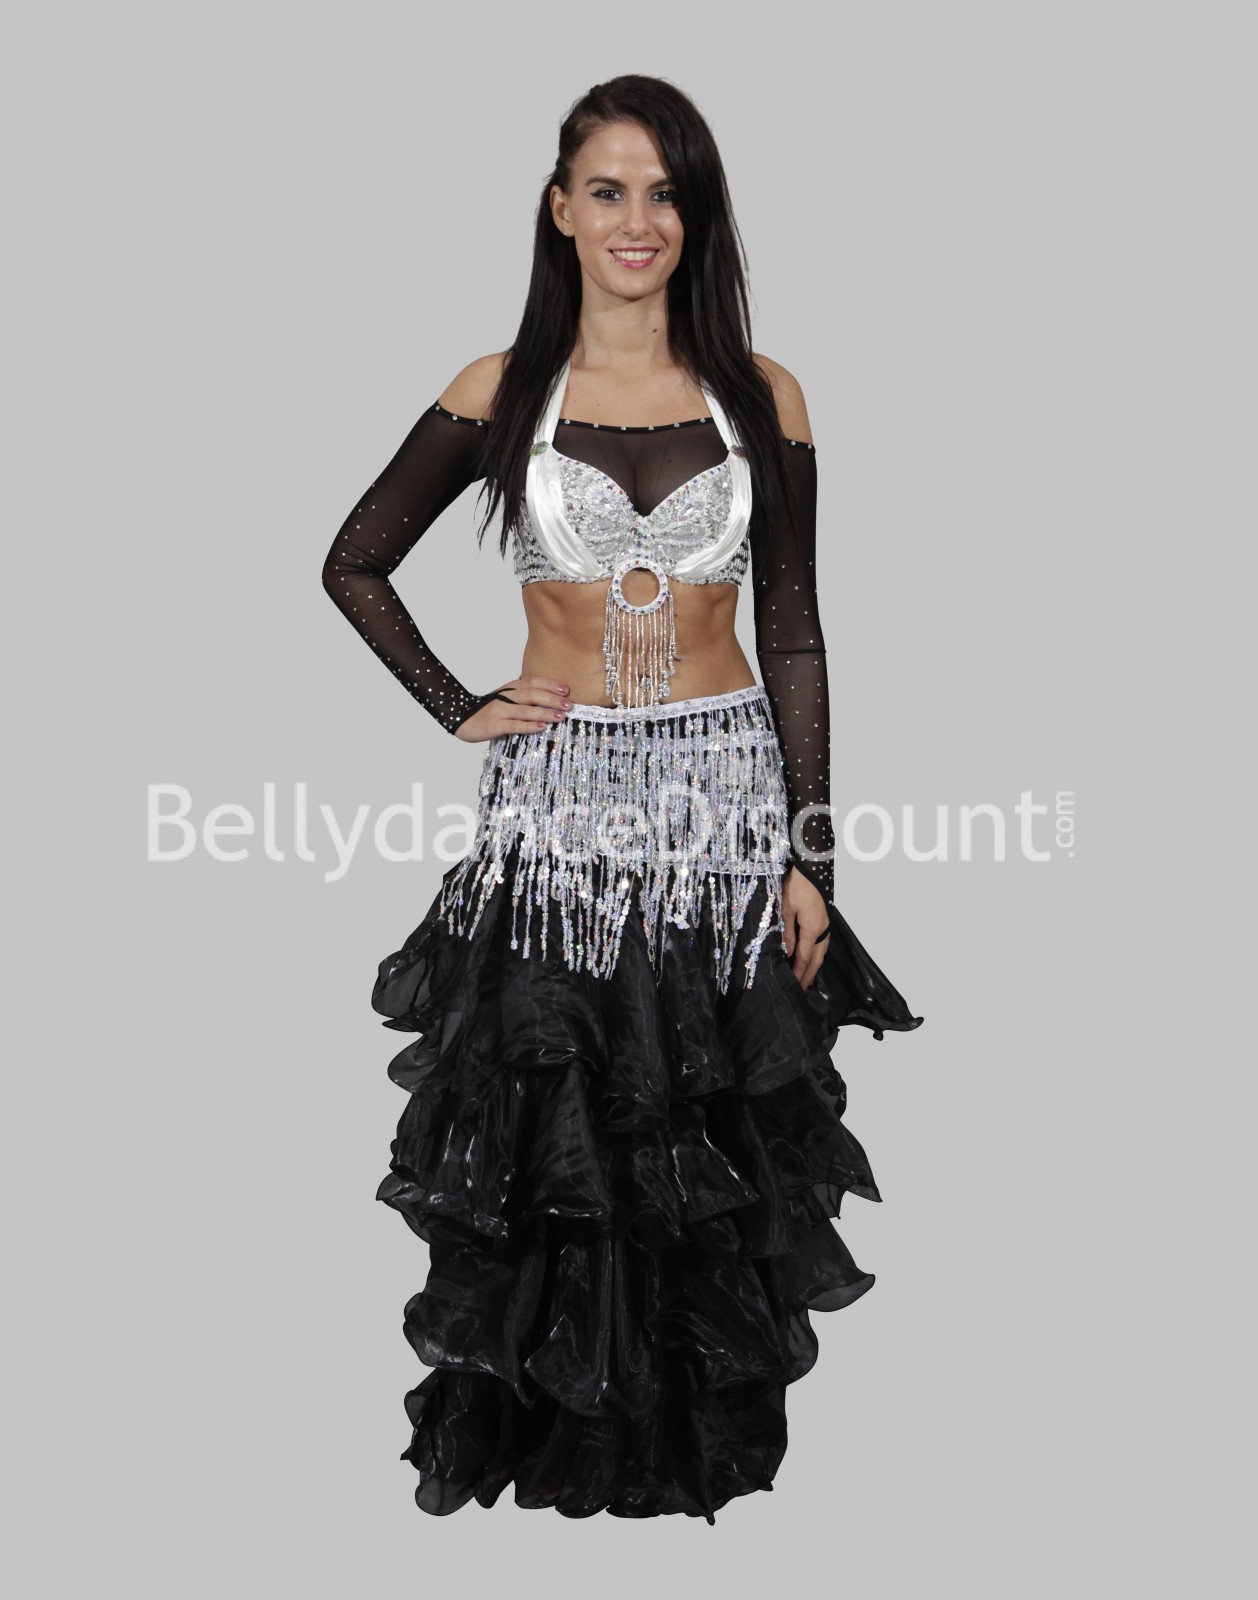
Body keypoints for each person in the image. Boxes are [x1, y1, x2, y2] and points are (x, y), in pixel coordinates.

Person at [321, 74, 923, 1522]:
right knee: (561, 1115)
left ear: (694, 215)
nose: (635, 219)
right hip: (558, 811)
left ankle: (680, 1449)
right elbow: (354, 560)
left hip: (724, 796)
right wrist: (457, 703)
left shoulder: (762, 393)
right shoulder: (500, 389)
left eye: (663, 192)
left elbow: (792, 629)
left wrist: (813, 856)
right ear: (559, 209)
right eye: (607, 190)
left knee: (703, 1116)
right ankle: (550, 1438)